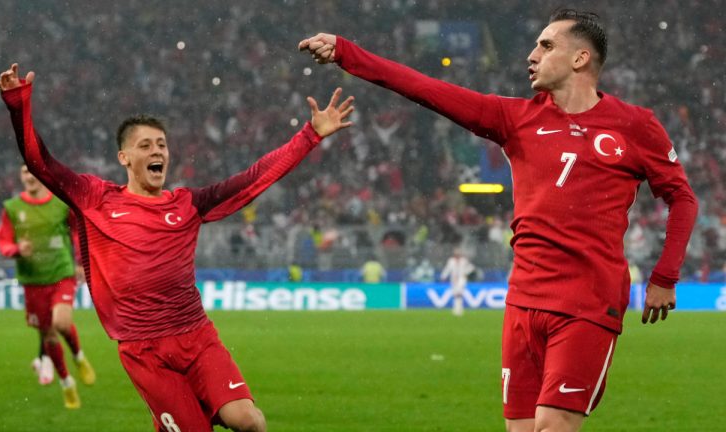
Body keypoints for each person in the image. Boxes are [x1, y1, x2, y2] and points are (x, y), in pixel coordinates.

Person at [299, 8, 698, 432]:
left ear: (581, 58)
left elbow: (682, 198)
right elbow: (424, 88)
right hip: (523, 301)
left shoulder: (634, 125)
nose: (531, 55)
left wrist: (665, 277)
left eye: (545, 46)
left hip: (589, 303)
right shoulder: (516, 118)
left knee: (552, 425)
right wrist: (346, 53)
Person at [0, 63, 354, 432]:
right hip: (144, 351)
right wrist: (18, 104)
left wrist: (310, 134)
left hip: (197, 336)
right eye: (146, 145)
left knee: (250, 422)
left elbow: (253, 180)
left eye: (163, 145)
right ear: (124, 158)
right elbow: (40, 162)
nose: (158, 152)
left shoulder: (188, 204)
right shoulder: (94, 197)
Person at [0, 165, 96, 409]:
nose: (29, 176)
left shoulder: (60, 204)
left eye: (32, 171)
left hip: (60, 273)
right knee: (48, 335)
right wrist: (15, 251)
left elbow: (77, 233)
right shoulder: (12, 208)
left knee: (62, 323)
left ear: (42, 175)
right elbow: (4, 240)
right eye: (24, 172)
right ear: (21, 177)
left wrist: (80, 261)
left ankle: (79, 356)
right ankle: (67, 383)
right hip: (32, 280)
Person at [440, 247, 476, 316]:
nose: (457, 255)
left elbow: (471, 268)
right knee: (455, 294)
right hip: (453, 279)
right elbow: (447, 269)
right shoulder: (451, 261)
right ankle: (456, 309)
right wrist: (443, 276)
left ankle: (459, 309)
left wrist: (465, 273)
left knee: (459, 293)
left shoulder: (464, 260)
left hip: (461, 279)